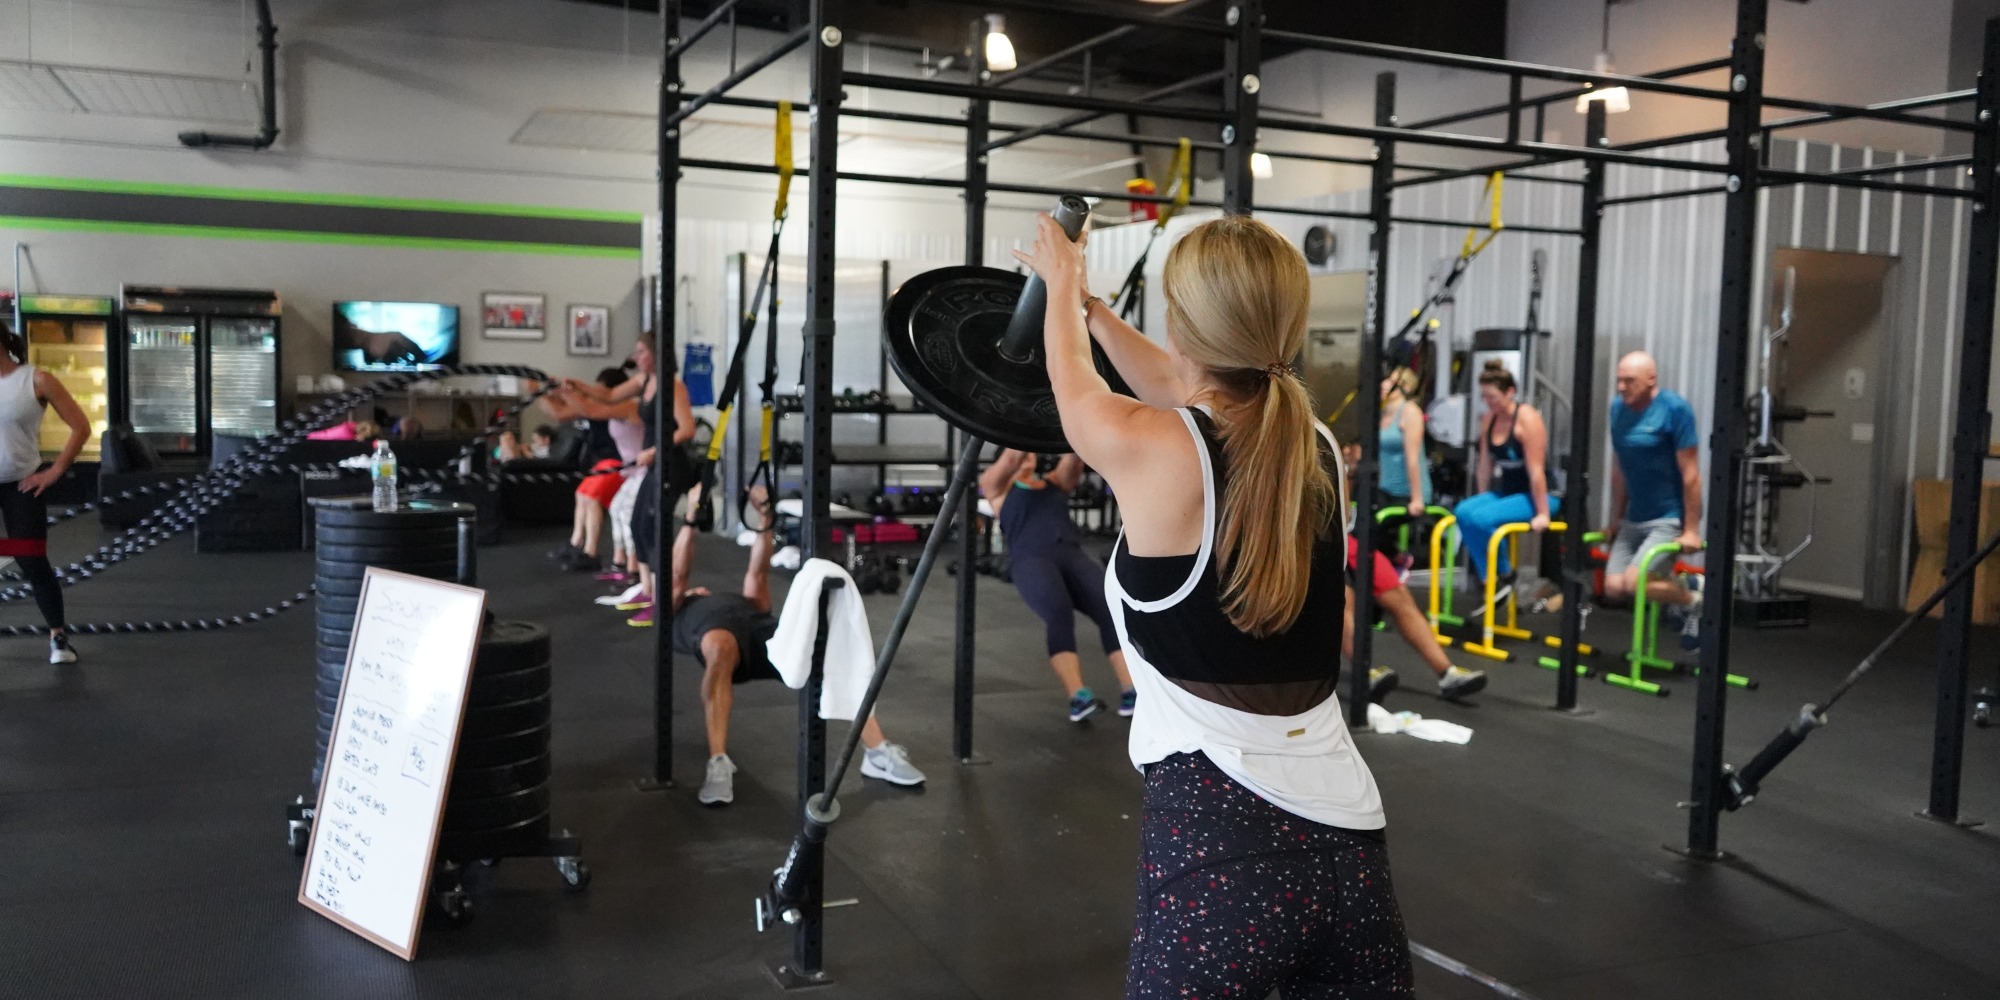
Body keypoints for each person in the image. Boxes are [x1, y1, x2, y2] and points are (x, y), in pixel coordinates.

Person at [1014, 213, 1413, 996]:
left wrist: (1060, 286)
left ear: (1182, 327)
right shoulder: (1312, 444)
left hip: (1224, 856)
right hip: (1354, 858)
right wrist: (1090, 308)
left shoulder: (1157, 447)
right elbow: (1188, 387)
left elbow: (1075, 388)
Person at [671, 485, 926, 805]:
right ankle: (719, 762)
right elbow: (678, 574)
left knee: (830, 651)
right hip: (719, 642)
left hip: (764, 638)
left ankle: (876, 752)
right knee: (720, 645)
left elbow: (758, 572)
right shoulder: (677, 609)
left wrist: (765, 519)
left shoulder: (743, 601)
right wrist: (691, 515)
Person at [978, 448, 1134, 722]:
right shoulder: (996, 487)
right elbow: (1012, 458)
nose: (1028, 456)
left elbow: (1075, 456)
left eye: (1031, 453)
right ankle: (1078, 697)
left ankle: (1131, 690)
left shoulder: (1055, 482)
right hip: (1031, 560)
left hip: (1071, 555)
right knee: (1059, 616)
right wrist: (1023, 434)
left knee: (1112, 611)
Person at [560, 332, 694, 624]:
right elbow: (608, 395)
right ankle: (647, 590)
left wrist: (655, 451)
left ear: (656, 354)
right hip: (654, 465)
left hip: (671, 465)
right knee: (637, 525)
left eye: (642, 351)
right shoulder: (644, 381)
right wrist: (576, 385)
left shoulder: (673, 386)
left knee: (652, 531)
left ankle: (662, 600)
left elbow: (687, 429)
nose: (636, 357)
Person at [1341, 444, 1488, 703]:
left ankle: (1448, 674)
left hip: (1354, 544)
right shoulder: (1311, 463)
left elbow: (1354, 518)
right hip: (1320, 545)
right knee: (1342, 605)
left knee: (1400, 598)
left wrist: (1348, 471)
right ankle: (1365, 674)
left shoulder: (1360, 477)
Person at [0, 321, 92, 665]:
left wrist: (54, 471)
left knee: (31, 559)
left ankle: (59, 637)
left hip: (21, 483)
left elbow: (81, 427)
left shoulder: (36, 380)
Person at [1604, 351, 1704, 648]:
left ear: (1651, 379)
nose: (1621, 387)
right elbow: (1621, 469)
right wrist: (1616, 520)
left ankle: (1696, 601)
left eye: (1629, 381)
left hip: (1668, 516)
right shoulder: (1616, 409)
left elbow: (1691, 474)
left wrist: (1691, 530)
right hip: (1635, 516)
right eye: (1619, 380)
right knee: (1613, 587)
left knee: (1634, 582)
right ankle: (1684, 587)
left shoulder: (1674, 409)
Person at [1452, 361, 1558, 595]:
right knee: (1463, 512)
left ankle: (1505, 575)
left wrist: (1543, 514)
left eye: (1493, 397)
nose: (1488, 402)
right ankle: (1489, 579)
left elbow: (1536, 471)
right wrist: (1482, 500)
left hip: (1541, 496)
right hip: (1509, 493)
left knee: (1481, 519)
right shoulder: (1488, 419)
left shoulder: (1527, 419)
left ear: (1510, 392)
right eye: (1484, 397)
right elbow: (1484, 466)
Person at [541, 368, 643, 573]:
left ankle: (591, 552)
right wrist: (544, 392)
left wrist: (564, 391)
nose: (597, 392)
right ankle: (576, 542)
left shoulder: (618, 407)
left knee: (594, 498)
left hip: (617, 462)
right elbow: (560, 411)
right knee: (582, 495)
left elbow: (587, 409)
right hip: (602, 462)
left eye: (601, 389)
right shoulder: (600, 405)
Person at [1373, 366, 1432, 563]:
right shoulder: (1381, 413)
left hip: (1405, 492)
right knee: (1356, 519)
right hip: (1384, 489)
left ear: (1404, 387)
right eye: (1386, 379)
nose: (1384, 384)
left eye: (1391, 381)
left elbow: (1412, 458)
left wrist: (1417, 499)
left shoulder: (1410, 412)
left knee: (1369, 523)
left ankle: (1398, 558)